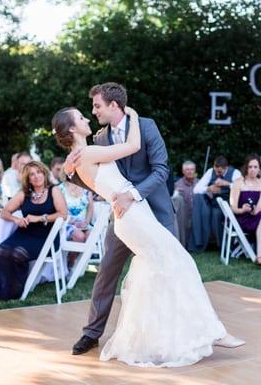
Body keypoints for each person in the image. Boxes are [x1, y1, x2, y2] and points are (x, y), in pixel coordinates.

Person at [57, 82, 242, 367]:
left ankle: (167, 336)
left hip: (150, 209)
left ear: (113, 105)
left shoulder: (145, 126)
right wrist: (70, 174)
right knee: (108, 272)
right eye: (88, 110)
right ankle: (92, 333)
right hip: (126, 216)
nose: (92, 112)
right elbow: (93, 177)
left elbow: (161, 169)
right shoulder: (98, 139)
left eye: (96, 106)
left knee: (163, 271)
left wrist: (132, 194)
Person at [0, 161, 67, 301]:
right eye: (32, 174)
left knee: (18, 254)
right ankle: (0, 293)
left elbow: (63, 214)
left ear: (44, 173)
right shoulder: (24, 194)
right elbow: (4, 212)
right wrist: (16, 220)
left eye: (38, 172)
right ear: (28, 179)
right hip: (24, 233)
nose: (36, 176)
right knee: (1, 250)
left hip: (46, 238)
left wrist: (39, 218)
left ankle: (15, 292)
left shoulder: (54, 191)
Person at [190, 156, 242, 252]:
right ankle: (221, 245)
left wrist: (227, 184)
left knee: (216, 214)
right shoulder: (210, 172)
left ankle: (226, 246)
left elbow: (243, 186)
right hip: (215, 205)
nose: (217, 174)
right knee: (215, 214)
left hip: (231, 205)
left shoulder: (235, 173)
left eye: (220, 172)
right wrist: (208, 189)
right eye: (216, 171)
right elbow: (196, 190)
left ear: (226, 168)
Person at [230, 154, 261, 267]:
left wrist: (255, 211)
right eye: (250, 167)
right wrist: (242, 209)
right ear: (246, 168)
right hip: (241, 217)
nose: (253, 170)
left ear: (259, 169)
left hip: (256, 215)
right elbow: (233, 207)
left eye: (255, 167)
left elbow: (260, 207)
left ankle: (259, 257)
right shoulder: (238, 183)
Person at [58, 178, 95, 271]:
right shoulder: (60, 188)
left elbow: (91, 208)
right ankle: (71, 262)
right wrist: (72, 221)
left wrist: (86, 221)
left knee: (91, 236)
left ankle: (78, 264)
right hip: (66, 224)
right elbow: (57, 209)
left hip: (82, 224)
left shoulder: (86, 189)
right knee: (79, 237)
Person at [172, 160, 198, 248]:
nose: (190, 171)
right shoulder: (177, 185)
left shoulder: (200, 183)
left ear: (195, 171)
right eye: (187, 169)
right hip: (183, 216)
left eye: (192, 169)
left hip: (197, 216)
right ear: (183, 171)